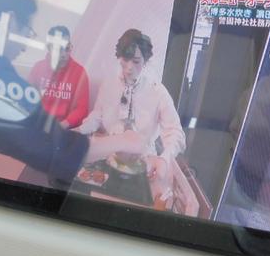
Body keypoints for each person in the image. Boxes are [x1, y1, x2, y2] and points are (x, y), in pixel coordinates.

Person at [76, 29, 185, 178]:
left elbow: (175, 132)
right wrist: (78, 131)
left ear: (145, 60)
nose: (129, 67)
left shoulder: (157, 91)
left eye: (136, 61)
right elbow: (97, 116)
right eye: (125, 59)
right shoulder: (108, 85)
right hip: (108, 159)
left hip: (143, 164)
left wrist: (164, 159)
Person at [29, 25, 90, 128]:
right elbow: (27, 99)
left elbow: (82, 109)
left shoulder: (80, 73)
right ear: (49, 48)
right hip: (37, 124)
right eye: (59, 49)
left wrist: (63, 125)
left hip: (64, 128)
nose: (64, 54)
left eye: (67, 48)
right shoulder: (38, 68)